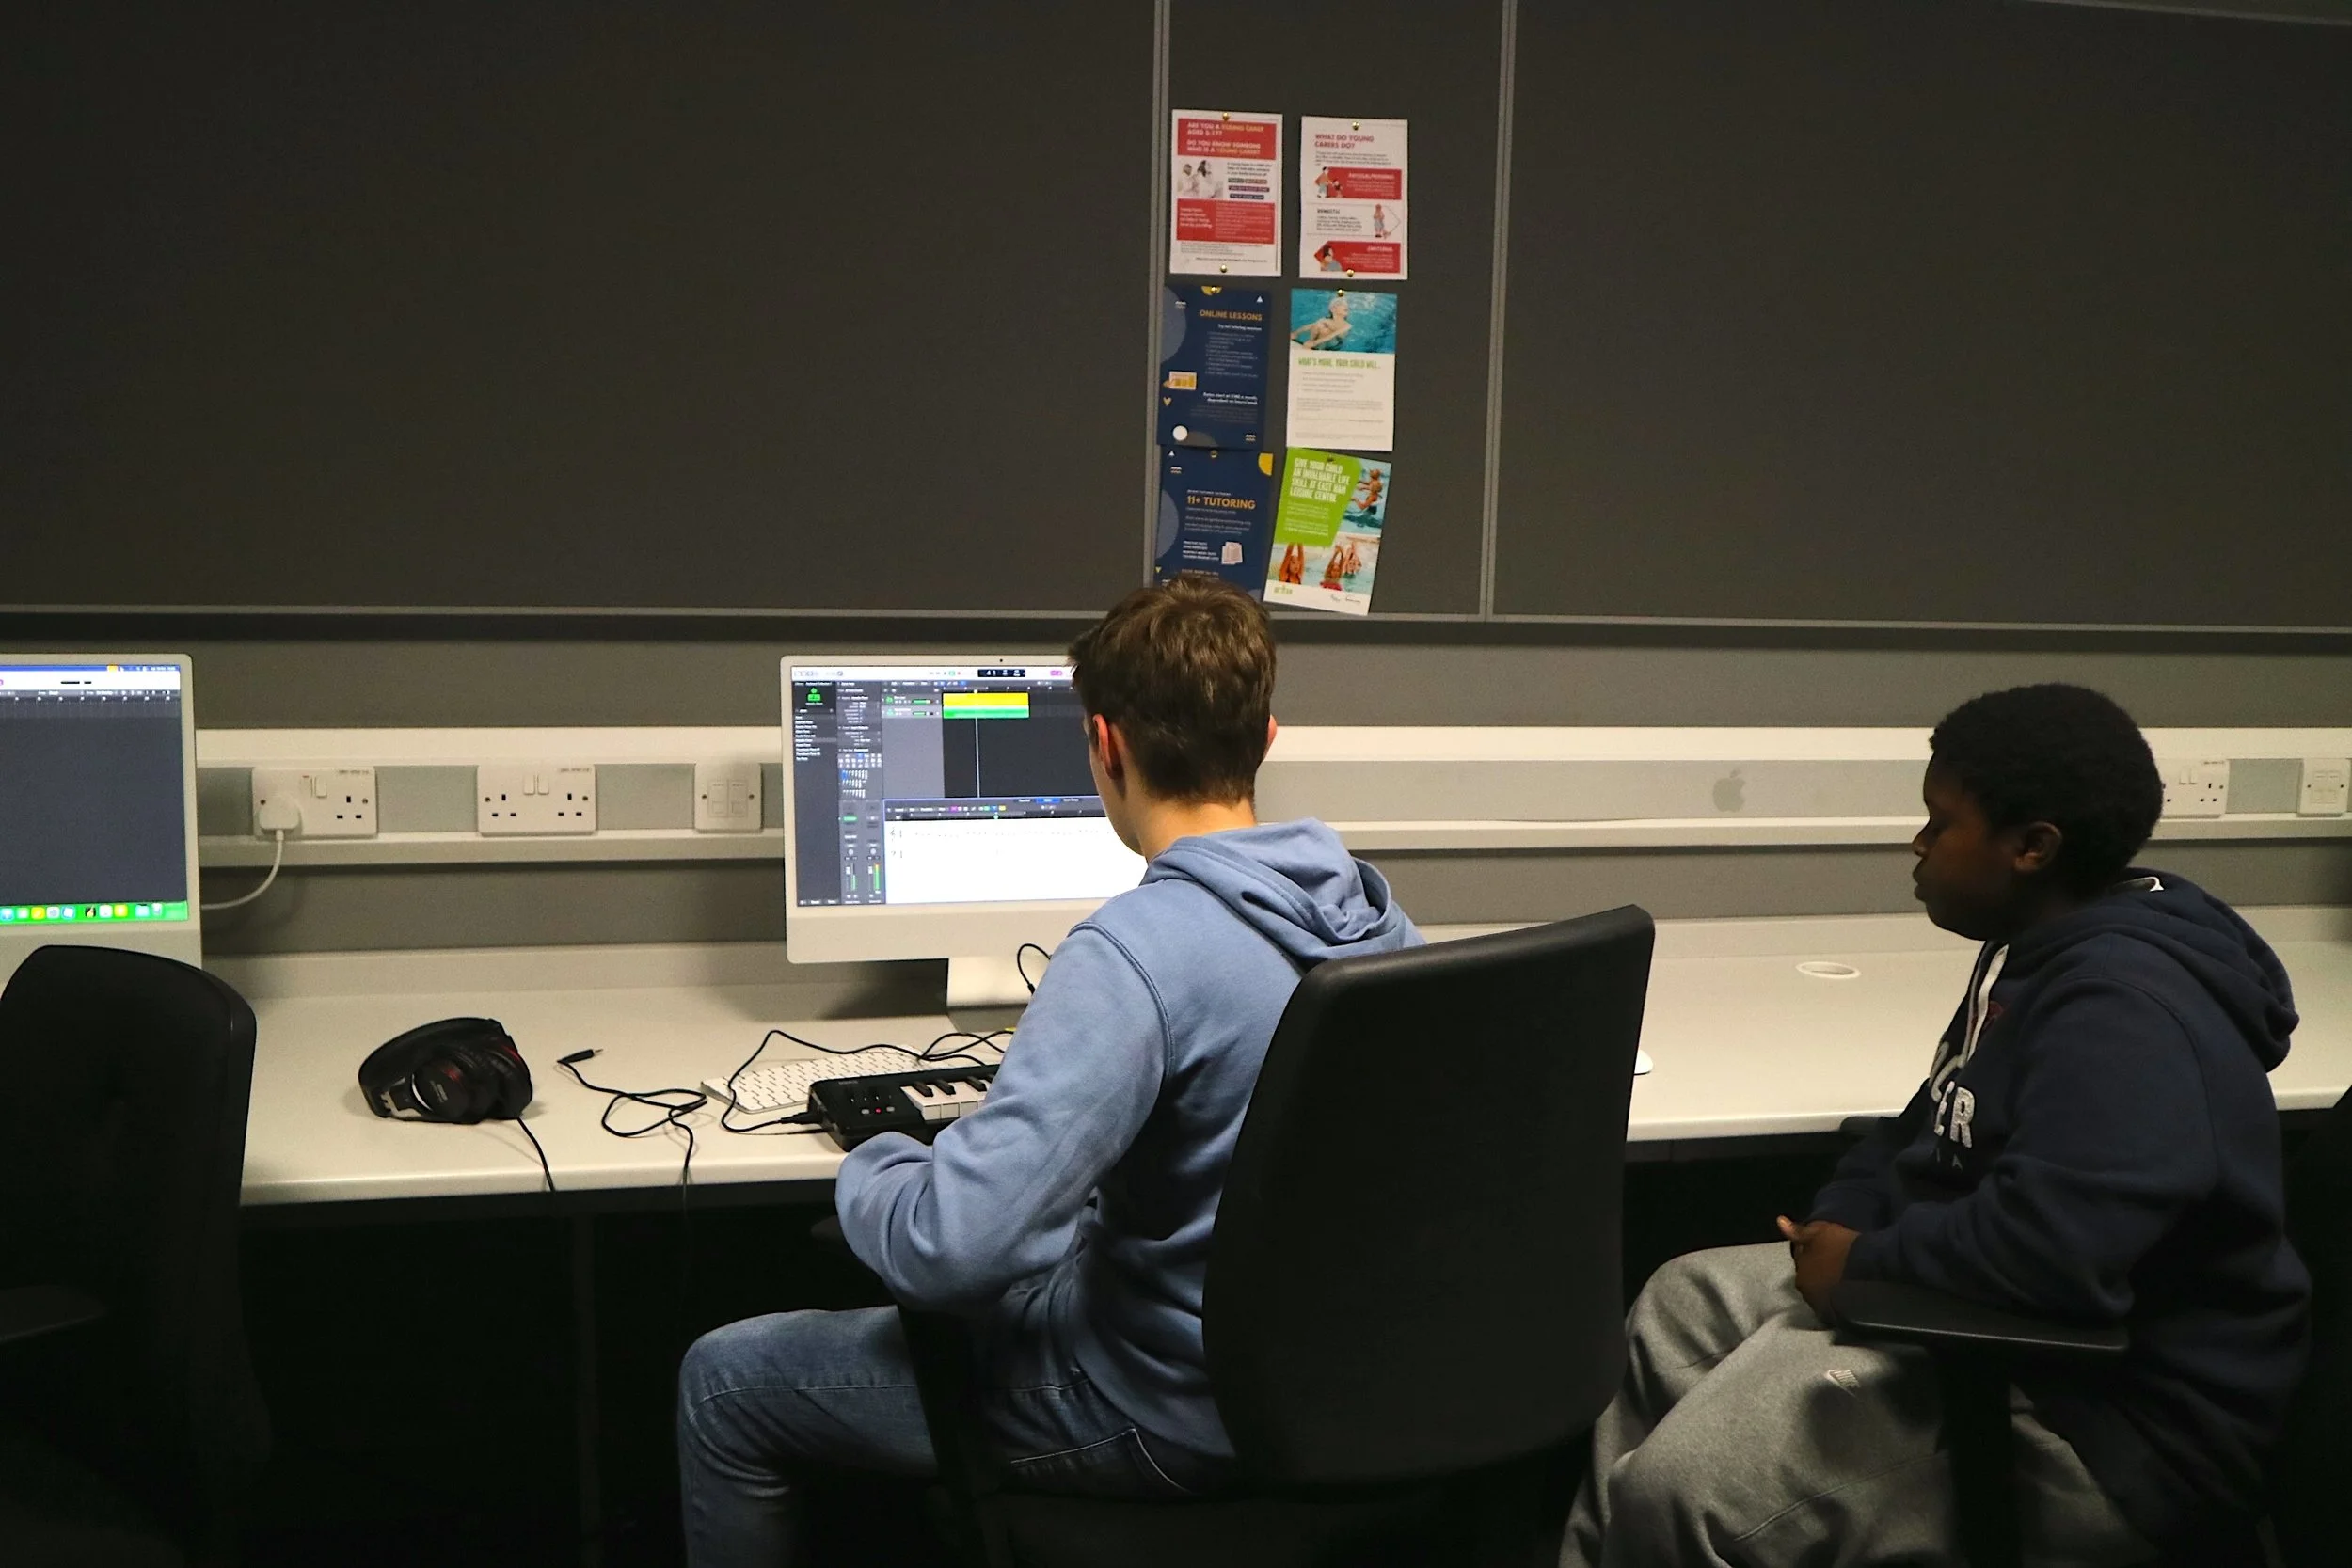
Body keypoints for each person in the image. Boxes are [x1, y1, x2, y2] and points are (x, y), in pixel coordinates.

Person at [676, 575, 1423, 1566]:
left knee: (722, 1380)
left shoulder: (1135, 953)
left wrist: (875, 1161)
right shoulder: (1379, 923)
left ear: (1104, 744)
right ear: (1265, 737)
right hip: (1350, 1394)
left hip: (1164, 1411)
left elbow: (950, 1249)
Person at [1562, 683, 2310, 1568]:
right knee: (1681, 1302)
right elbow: (1931, 1125)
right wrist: (1838, 1223)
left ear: (2031, 848)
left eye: (1940, 822)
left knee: (1685, 1487)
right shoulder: (2032, 945)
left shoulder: (2123, 1010)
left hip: (2109, 1420)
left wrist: (1862, 1266)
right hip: (1987, 1307)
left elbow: (2055, 1253)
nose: (1917, 843)